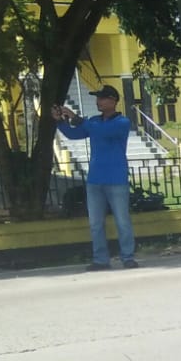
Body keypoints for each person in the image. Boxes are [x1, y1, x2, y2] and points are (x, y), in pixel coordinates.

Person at [52, 85, 139, 271]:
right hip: (95, 180)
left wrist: (76, 118)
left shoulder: (122, 122)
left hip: (117, 179)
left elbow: (101, 132)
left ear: (113, 101)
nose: (98, 102)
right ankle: (101, 259)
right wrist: (61, 121)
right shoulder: (93, 122)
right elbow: (75, 134)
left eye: (102, 98)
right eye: (97, 98)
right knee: (95, 223)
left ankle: (128, 257)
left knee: (122, 221)